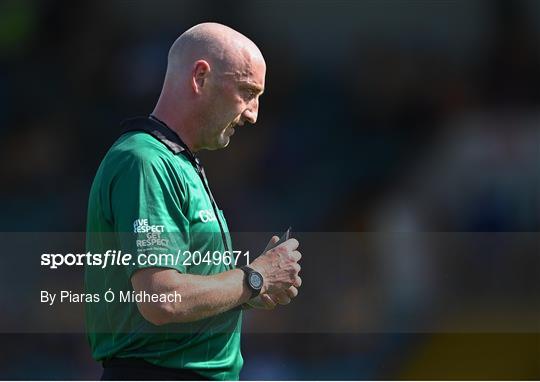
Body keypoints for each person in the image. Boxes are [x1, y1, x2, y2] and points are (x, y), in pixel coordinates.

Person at [85, 22, 302, 380]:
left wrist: (246, 290)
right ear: (200, 77)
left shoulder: (175, 162)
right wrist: (254, 278)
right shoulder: (146, 161)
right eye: (247, 92)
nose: (253, 113)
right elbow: (161, 299)